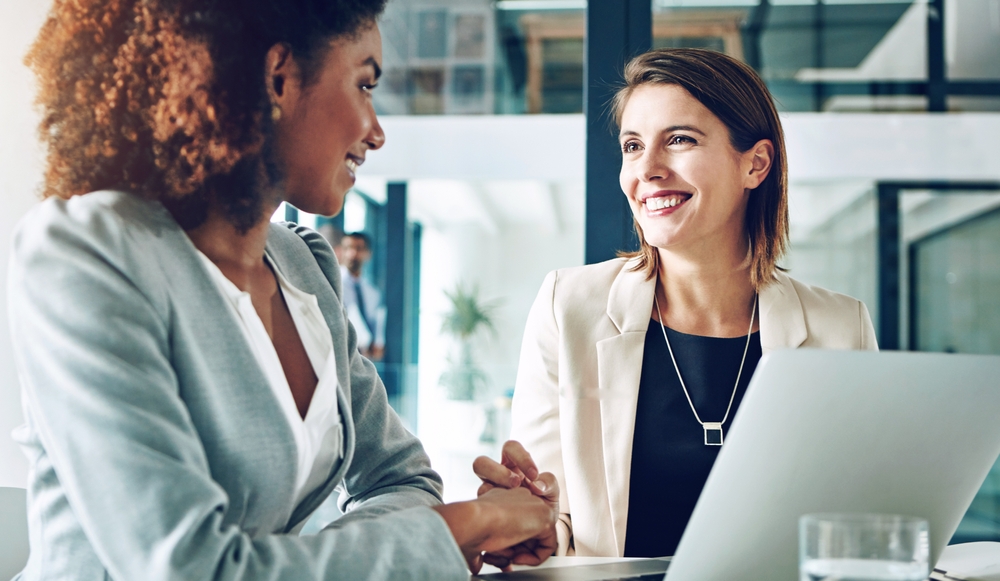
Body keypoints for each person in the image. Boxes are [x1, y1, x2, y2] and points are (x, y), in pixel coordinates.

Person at [8, 1, 558, 579]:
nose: (377, 132)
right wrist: (461, 529)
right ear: (279, 78)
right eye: (364, 85)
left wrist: (451, 529)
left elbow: (404, 480)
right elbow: (189, 568)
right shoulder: (89, 253)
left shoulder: (302, 264)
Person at [474, 48, 878, 559]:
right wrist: (527, 529)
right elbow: (556, 521)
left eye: (679, 140)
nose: (647, 170)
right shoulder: (568, 306)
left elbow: (860, 520)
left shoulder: (841, 328)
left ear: (755, 164)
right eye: (633, 145)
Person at [338, 232, 386, 361]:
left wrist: (377, 344)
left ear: (368, 254)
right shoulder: (333, 285)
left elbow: (376, 325)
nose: (352, 254)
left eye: (358, 249)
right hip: (340, 356)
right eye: (348, 248)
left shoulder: (373, 293)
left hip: (365, 360)